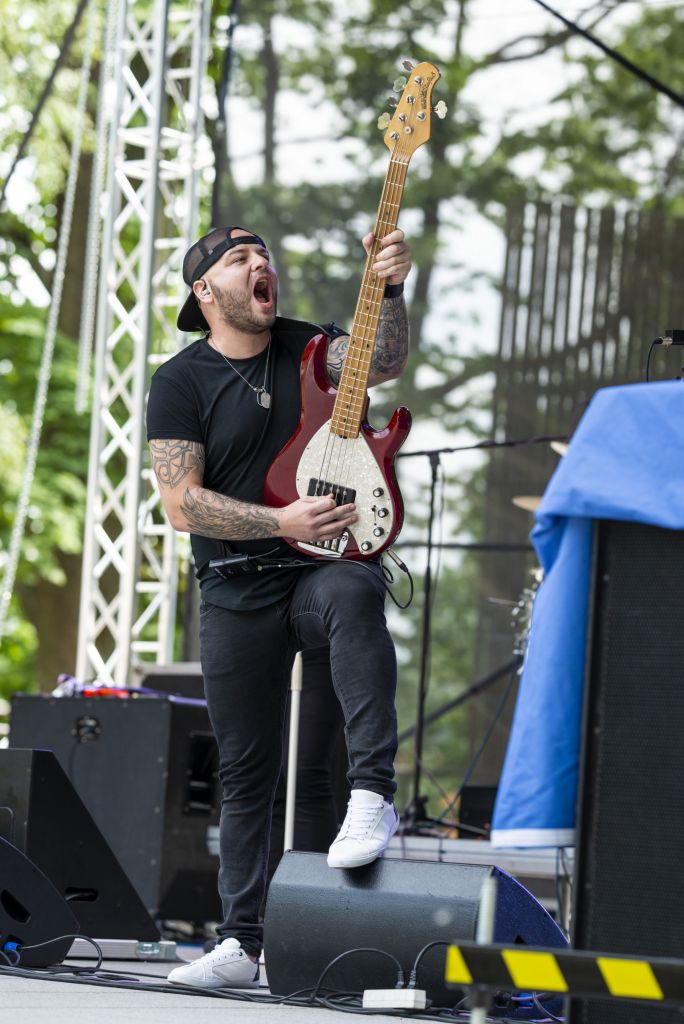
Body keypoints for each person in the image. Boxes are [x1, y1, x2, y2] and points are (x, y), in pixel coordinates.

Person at [146, 224, 411, 989]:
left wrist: (391, 286)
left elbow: (381, 361)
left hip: (316, 571)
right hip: (235, 585)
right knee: (247, 770)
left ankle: (375, 794)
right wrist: (279, 519)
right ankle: (240, 941)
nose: (260, 263)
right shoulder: (180, 380)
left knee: (355, 589)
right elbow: (181, 503)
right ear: (205, 291)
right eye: (240, 259)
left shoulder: (308, 346)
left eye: (263, 254)